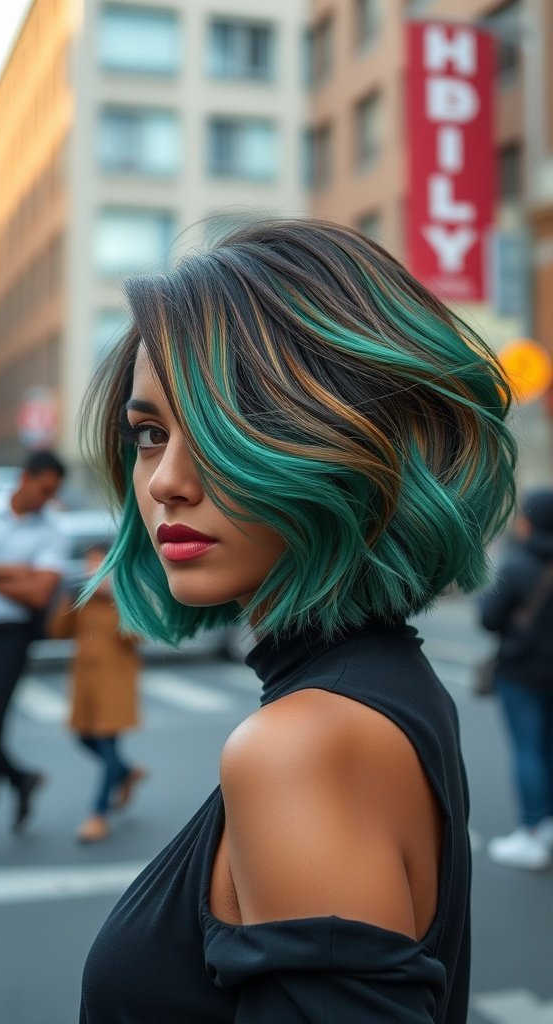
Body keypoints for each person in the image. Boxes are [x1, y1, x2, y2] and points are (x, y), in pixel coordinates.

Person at [78, 219, 516, 1023]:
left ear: (353, 440)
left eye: (221, 427)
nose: (167, 481)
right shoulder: (386, 688)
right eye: (150, 434)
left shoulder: (302, 745)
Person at [0, 449, 67, 859]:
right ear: (25, 479)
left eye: (54, 493)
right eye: (44, 489)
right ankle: (20, 778)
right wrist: (19, 570)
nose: (47, 499)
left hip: (13, 638)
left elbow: (39, 593)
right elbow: (29, 582)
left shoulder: (52, 529)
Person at [48, 543, 146, 843]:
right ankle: (127, 773)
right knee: (83, 738)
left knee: (107, 746)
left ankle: (98, 814)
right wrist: (69, 597)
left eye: (100, 565)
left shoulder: (126, 595)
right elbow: (57, 632)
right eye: (90, 565)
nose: (94, 572)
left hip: (114, 684)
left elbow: (137, 636)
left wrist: (117, 598)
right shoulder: (80, 597)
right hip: (85, 684)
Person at [480, 489, 553, 870]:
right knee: (549, 748)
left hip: (522, 671)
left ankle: (531, 832)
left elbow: (489, 619)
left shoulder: (518, 565)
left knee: (528, 750)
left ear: (530, 522)